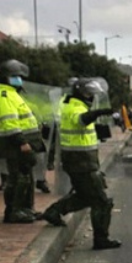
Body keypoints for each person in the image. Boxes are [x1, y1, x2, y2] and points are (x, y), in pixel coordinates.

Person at [41, 79, 121, 249]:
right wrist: (99, 112)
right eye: (89, 94)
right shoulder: (74, 106)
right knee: (101, 201)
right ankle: (101, 239)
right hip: (80, 162)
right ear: (80, 93)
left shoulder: (74, 104)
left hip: (81, 160)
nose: (91, 97)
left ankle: (54, 211)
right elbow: (81, 120)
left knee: (86, 196)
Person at [0, 60, 46, 223]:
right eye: (15, 76)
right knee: (17, 179)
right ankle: (13, 211)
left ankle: (26, 209)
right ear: (6, 78)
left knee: (27, 178)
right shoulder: (4, 96)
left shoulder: (13, 94)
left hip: (24, 142)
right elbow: (10, 124)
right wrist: (22, 142)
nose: (19, 79)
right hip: (15, 145)